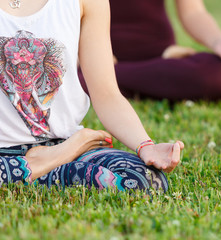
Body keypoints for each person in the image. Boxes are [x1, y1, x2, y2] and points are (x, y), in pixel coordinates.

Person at [0, 0, 184, 191]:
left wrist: (146, 146)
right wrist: (63, 155)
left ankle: (25, 173)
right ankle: (46, 164)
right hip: (61, 150)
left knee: (146, 179)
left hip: (65, 144)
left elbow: (106, 92)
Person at [78, 0, 221, 101]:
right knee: (60, 80)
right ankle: (103, 80)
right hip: (94, 53)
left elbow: (193, 12)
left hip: (161, 57)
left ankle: (103, 81)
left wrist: (218, 41)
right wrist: (79, 54)